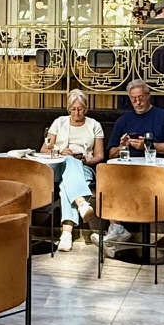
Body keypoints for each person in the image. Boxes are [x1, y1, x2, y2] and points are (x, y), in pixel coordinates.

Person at [103, 79, 164, 249]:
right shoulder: (123, 121)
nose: (137, 102)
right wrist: (122, 146)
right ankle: (116, 228)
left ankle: (116, 234)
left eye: (140, 98)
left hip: (157, 172)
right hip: (129, 172)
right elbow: (110, 154)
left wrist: (148, 145)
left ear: (148, 95)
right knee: (109, 178)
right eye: (133, 99)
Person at [40, 88, 104, 252]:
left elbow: (99, 155)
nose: (76, 113)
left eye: (80, 109)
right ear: (69, 109)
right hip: (58, 166)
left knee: (65, 187)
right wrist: (60, 151)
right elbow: (44, 150)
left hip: (84, 167)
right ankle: (81, 203)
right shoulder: (59, 122)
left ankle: (66, 234)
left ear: (86, 108)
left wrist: (87, 159)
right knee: (69, 160)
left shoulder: (94, 125)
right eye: (73, 109)